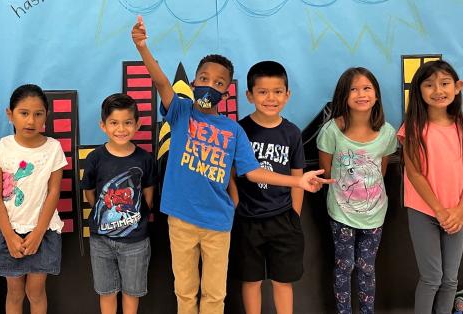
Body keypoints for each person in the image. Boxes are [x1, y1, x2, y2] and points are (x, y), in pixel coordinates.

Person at [132, 15, 331, 314]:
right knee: (185, 291)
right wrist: (143, 47)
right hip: (181, 219)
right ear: (193, 82)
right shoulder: (181, 111)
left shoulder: (233, 130)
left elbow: (252, 171)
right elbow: (160, 80)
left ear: (226, 93)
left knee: (214, 294)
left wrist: (297, 182)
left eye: (218, 83)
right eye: (204, 79)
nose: (209, 86)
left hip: (218, 224)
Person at [0, 84, 67, 314]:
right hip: (8, 231)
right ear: (10, 114)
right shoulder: (2, 148)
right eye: (24, 113)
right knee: (15, 292)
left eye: (38, 114)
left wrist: (38, 232)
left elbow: (54, 192)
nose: (30, 121)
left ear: (46, 116)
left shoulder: (53, 148)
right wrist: (9, 235)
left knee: (36, 292)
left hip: (42, 232)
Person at [317, 67, 397, 314]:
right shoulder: (332, 131)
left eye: (366, 88)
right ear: (344, 95)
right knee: (344, 266)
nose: (361, 94)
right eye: (354, 89)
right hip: (342, 214)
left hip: (374, 215)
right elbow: (327, 172)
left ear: (376, 94)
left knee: (367, 268)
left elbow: (381, 170)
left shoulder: (387, 133)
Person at [228, 61, 305, 314]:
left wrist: (294, 213)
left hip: (283, 219)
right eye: (262, 92)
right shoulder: (239, 130)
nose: (270, 98)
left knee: (283, 281)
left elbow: (298, 177)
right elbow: (231, 173)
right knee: (251, 280)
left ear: (287, 94)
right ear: (249, 95)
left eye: (277, 91)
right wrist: (237, 204)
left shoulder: (292, 133)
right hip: (248, 219)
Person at [397, 60, 463, 314]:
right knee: (432, 277)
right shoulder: (413, 127)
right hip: (425, 212)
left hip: (456, 214)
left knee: (450, 280)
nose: (438, 90)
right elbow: (414, 174)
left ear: (457, 87)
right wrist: (438, 209)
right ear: (418, 90)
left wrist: (458, 210)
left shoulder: (460, 125)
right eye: (429, 84)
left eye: (445, 83)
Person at [81, 93, 155, 314]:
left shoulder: (144, 159)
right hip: (101, 241)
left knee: (132, 293)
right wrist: (105, 214)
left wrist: (134, 219)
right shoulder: (95, 158)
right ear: (103, 126)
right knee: (106, 292)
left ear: (137, 125)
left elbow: (148, 195)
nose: (121, 129)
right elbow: (90, 193)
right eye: (114, 123)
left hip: (136, 242)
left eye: (127, 122)